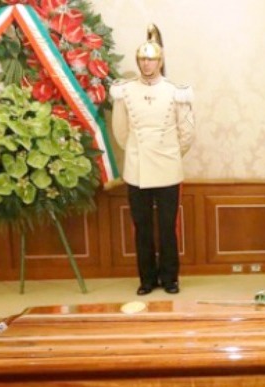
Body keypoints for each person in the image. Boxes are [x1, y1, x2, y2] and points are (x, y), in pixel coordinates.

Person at [110, 24, 195, 295]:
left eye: (152, 59)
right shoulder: (125, 91)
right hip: (137, 169)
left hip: (167, 166)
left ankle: (170, 278)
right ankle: (146, 279)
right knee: (142, 227)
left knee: (168, 227)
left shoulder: (176, 91)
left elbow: (186, 133)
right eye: (143, 59)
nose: (147, 64)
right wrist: (137, 152)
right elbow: (120, 131)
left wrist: (169, 153)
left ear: (160, 61)